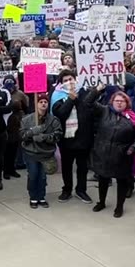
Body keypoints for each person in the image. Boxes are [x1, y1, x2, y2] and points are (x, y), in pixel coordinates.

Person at [89, 89, 135, 217]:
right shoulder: (104, 111)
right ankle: (101, 202)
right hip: (103, 154)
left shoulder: (133, 119)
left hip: (122, 157)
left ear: (127, 103)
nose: (119, 103)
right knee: (103, 179)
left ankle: (119, 206)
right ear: (112, 102)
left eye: (122, 101)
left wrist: (132, 149)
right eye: (116, 101)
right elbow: (88, 102)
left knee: (122, 182)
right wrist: (97, 90)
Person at [51, 70, 95, 203]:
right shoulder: (57, 96)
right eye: (65, 80)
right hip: (66, 139)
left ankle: (81, 190)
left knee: (82, 167)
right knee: (67, 166)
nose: (68, 82)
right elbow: (60, 114)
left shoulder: (84, 92)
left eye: (70, 79)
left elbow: (90, 107)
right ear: (61, 83)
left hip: (83, 137)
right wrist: (70, 100)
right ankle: (67, 190)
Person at [20, 95, 62, 208]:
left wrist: (44, 137)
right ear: (36, 104)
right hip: (31, 153)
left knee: (43, 177)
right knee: (33, 175)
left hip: (46, 154)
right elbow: (22, 136)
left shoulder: (53, 120)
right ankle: (33, 197)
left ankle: (41, 196)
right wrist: (31, 132)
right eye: (40, 102)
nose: (43, 104)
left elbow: (58, 135)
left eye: (45, 102)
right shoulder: (27, 119)